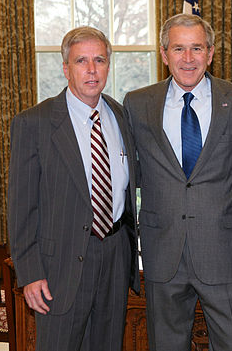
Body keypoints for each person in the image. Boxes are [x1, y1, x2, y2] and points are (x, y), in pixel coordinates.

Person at [123, 13, 232, 351]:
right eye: (178, 49)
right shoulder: (137, 104)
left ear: (210, 53)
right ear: (164, 54)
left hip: (223, 255)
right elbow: (125, 174)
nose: (188, 58)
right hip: (161, 253)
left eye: (196, 48)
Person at [8, 26, 139, 351]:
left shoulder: (121, 116)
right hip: (59, 267)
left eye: (99, 60)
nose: (92, 70)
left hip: (114, 258)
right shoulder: (34, 123)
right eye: (82, 61)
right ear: (66, 68)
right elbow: (21, 206)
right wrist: (30, 273)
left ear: (109, 65)